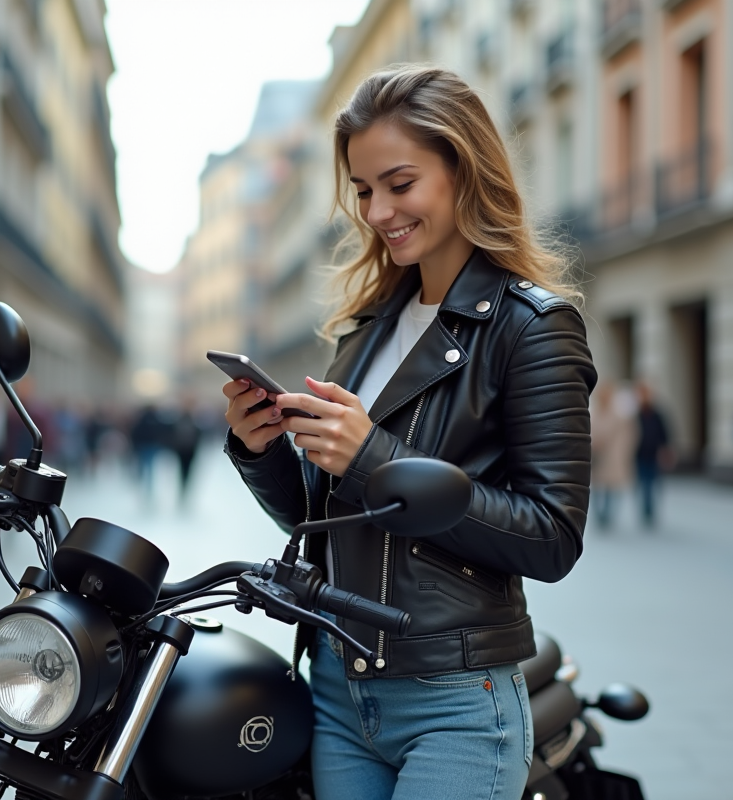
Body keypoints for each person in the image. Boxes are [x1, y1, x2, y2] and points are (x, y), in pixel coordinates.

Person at [221, 66, 596, 800]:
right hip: (337, 688)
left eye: (400, 183)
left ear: (462, 170)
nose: (377, 210)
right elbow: (321, 519)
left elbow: (554, 537)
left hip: (455, 702)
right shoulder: (365, 332)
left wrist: (373, 457)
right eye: (363, 190)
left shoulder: (534, 328)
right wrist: (260, 449)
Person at [590, 381, 636, 530]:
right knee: (597, 488)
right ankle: (599, 516)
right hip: (597, 457)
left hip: (613, 458)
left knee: (611, 488)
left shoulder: (619, 416)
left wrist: (624, 454)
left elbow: (629, 437)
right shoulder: (593, 412)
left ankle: (607, 516)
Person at [633, 380, 671, 529]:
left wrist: (667, 450)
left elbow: (665, 433)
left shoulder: (657, 414)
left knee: (653, 484)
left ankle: (650, 511)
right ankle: (645, 510)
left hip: (654, 454)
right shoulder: (635, 414)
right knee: (642, 484)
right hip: (639, 455)